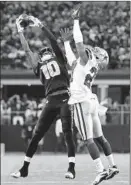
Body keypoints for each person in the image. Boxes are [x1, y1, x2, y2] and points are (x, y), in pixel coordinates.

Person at [60, 3, 119, 185]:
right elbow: (71, 61)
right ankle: (113, 165)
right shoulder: (85, 63)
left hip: (81, 102)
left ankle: (100, 170)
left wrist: (76, 21)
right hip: (91, 101)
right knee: (100, 137)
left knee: (87, 140)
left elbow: (79, 43)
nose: (90, 49)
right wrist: (64, 43)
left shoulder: (87, 58)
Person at [11, 14, 75, 179]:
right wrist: (20, 31)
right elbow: (27, 49)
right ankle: (24, 168)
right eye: (44, 51)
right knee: (37, 134)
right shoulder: (38, 64)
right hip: (51, 100)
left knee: (68, 132)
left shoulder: (58, 59)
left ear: (51, 53)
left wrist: (41, 25)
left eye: (47, 51)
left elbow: (53, 42)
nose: (46, 52)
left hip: (65, 96)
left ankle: (71, 168)